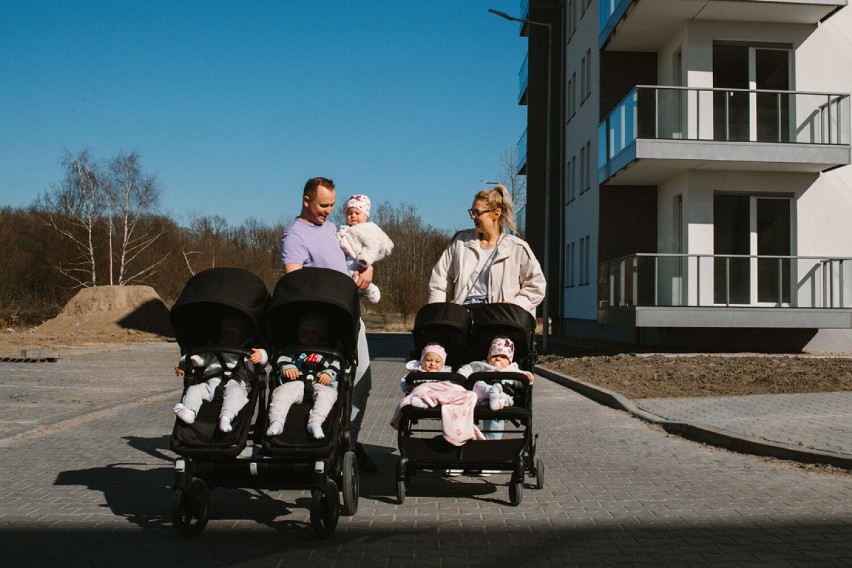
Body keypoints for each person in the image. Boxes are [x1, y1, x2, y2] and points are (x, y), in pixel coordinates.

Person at [428, 183, 546, 440]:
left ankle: (490, 445)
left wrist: (515, 307)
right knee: (460, 382)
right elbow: (439, 281)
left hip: (498, 323)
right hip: (463, 320)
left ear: (495, 213)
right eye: (471, 211)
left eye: (477, 212)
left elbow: (537, 286)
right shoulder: (461, 242)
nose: (472, 217)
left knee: (495, 382)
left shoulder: (517, 248)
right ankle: (458, 440)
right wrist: (439, 315)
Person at [280, 176, 377, 472]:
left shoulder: (335, 229)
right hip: (320, 324)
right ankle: (314, 440)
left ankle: (348, 441)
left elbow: (362, 254)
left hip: (350, 317)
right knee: (324, 382)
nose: (328, 211)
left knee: (361, 382)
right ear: (306, 201)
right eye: (323, 205)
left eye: (332, 205)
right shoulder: (294, 236)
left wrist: (368, 269)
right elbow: (293, 283)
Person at [173, 311, 268, 433]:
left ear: (244, 334)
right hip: (210, 383)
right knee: (193, 390)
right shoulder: (213, 348)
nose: (230, 336)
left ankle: (226, 418)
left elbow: (263, 357)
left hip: (237, 383)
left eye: (234, 333)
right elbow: (197, 357)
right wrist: (185, 363)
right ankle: (190, 412)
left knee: (236, 394)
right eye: (226, 333)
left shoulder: (249, 350)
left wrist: (261, 355)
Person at [389, 342, 484, 447]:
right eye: (428, 360)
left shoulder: (446, 374)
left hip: (442, 394)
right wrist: (408, 387)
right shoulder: (417, 373)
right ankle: (423, 401)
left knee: (467, 393)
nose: (432, 364)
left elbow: (451, 386)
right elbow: (404, 381)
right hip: (424, 392)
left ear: (442, 363)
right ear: (422, 361)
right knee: (419, 390)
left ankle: (452, 405)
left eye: (437, 361)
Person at [266, 311, 341, 440]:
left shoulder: (330, 352)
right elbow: (282, 358)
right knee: (281, 393)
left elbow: (338, 364)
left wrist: (329, 373)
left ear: (323, 336)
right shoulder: (293, 349)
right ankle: (276, 421)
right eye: (305, 332)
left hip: (322, 383)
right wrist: (288, 367)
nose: (309, 336)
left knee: (328, 396)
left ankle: (315, 422)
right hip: (296, 382)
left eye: (315, 333)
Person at [337, 194, 394, 304]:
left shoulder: (368, 229)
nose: (353, 216)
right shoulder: (344, 229)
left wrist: (364, 260)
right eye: (349, 213)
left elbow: (372, 246)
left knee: (352, 277)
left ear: (366, 215)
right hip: (346, 259)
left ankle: (370, 288)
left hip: (358, 260)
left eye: (357, 213)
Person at [457, 335, 534, 411]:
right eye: (494, 356)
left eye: (503, 357)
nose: (498, 358)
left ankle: (499, 402)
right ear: (488, 357)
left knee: (508, 399)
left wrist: (527, 376)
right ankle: (490, 394)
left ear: (509, 361)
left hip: (504, 393)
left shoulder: (512, 368)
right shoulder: (483, 365)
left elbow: (520, 378)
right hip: (484, 392)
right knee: (478, 385)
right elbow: (469, 367)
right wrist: (462, 375)